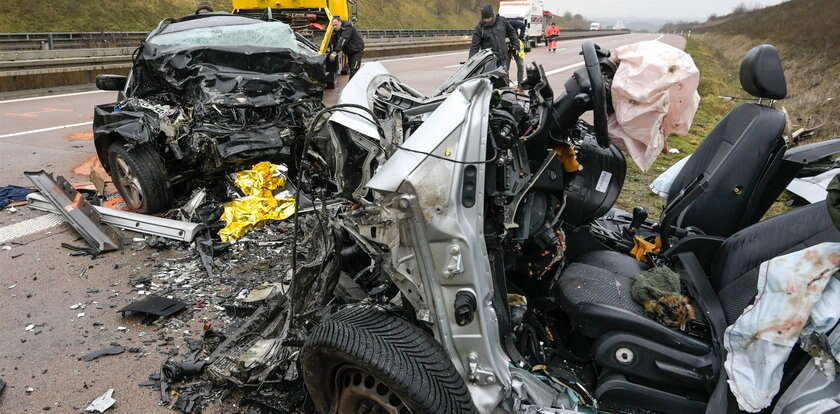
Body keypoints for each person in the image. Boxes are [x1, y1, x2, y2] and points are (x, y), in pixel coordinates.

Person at [469, 4, 519, 71]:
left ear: (492, 15)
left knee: (504, 78)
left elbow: (512, 32)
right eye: (485, 19)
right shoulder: (479, 28)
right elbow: (474, 46)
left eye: (488, 18)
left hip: (503, 58)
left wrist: (515, 45)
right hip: (490, 61)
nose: (487, 20)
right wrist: (471, 62)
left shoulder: (502, 21)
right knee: (492, 80)